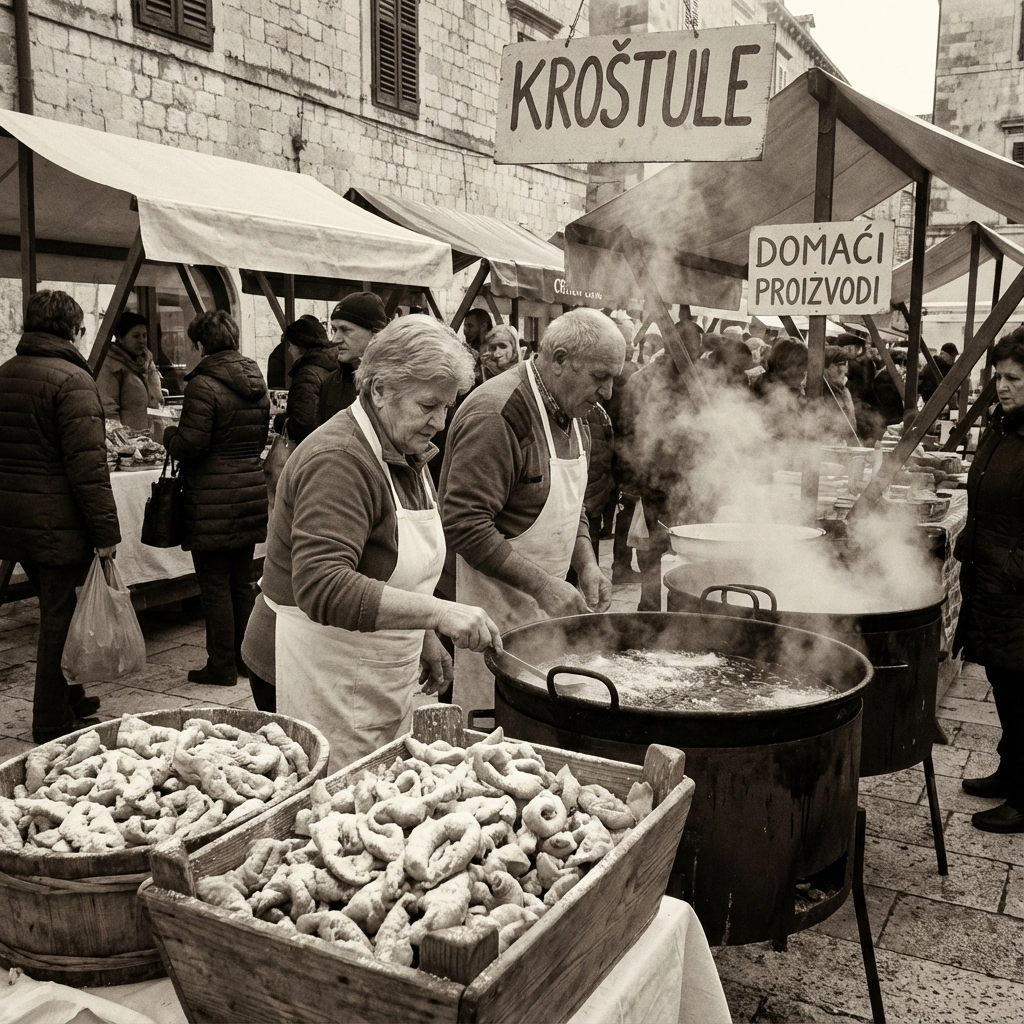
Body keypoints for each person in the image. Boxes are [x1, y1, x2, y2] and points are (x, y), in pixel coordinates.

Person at [260, 316, 500, 764]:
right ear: (379, 390)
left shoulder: (404, 447)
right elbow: (323, 585)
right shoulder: (339, 459)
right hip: (320, 670)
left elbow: (388, 560)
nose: (439, 421)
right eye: (428, 405)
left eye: (446, 407)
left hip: (371, 668)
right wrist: (438, 613)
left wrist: (422, 632)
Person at [441, 309, 622, 715]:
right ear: (559, 360)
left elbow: (571, 505)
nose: (609, 392)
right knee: (488, 726)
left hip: (536, 616)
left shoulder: (576, 412)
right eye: (600, 376)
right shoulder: (497, 414)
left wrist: (587, 565)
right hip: (481, 616)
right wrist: (544, 588)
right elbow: (465, 525)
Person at [0, 290, 120, 741]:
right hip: (55, 522)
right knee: (58, 617)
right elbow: (88, 469)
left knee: (58, 608)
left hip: (13, 517)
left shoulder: (5, 373)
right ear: (72, 328)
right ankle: (50, 720)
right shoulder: (72, 380)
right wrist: (105, 534)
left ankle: (73, 696)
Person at [164, 311, 270, 686]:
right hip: (248, 490)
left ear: (200, 344)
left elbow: (191, 446)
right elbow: (259, 438)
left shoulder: (203, 384)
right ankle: (246, 660)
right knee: (241, 581)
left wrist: (169, 436)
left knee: (214, 586)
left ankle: (221, 665)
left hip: (211, 497)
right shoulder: (256, 380)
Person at [953, 327, 1024, 834]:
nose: (1003, 386)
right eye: (999, 377)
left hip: (1017, 587)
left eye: (1015, 378)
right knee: (1005, 683)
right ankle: (1012, 770)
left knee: (1023, 690)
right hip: (995, 583)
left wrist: (1013, 568)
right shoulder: (1003, 426)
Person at [318, 292, 389, 424]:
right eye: (334, 330)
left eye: (345, 330)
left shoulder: (397, 382)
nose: (335, 339)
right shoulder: (331, 383)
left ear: (375, 332)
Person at [96, 311, 163, 432]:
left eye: (144, 335)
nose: (142, 341)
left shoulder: (147, 362)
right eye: (136, 336)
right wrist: (122, 439)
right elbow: (108, 411)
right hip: (130, 439)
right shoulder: (111, 365)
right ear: (120, 338)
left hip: (152, 437)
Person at [280, 316, 335, 443]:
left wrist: (281, 422)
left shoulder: (306, 374)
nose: (289, 350)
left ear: (299, 346)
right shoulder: (330, 366)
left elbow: (304, 425)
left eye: (291, 345)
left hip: (312, 447)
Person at [821, 345, 860, 444]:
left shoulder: (844, 391)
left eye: (844, 364)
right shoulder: (819, 392)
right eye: (838, 365)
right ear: (824, 368)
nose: (843, 370)